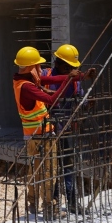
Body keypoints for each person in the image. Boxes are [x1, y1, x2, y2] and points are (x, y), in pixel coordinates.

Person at [12, 46, 78, 218]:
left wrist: (77, 76)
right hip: (43, 133)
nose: (41, 70)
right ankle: (50, 209)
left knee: (34, 171)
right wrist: (67, 81)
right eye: (38, 67)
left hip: (32, 133)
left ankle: (32, 205)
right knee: (49, 171)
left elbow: (52, 79)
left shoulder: (21, 81)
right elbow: (51, 99)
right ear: (30, 68)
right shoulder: (27, 86)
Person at [40, 44, 96, 214]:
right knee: (52, 168)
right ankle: (53, 203)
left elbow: (80, 100)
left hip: (67, 129)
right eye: (70, 67)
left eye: (74, 68)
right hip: (48, 131)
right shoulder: (46, 75)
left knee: (69, 167)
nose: (73, 70)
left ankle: (72, 202)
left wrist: (87, 104)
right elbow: (39, 91)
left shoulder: (75, 82)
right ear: (60, 64)